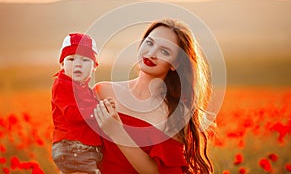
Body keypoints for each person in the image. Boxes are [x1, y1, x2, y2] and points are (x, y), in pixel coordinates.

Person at [93, 18, 214, 174]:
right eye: (149, 43)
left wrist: (117, 131)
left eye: (164, 51)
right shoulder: (102, 91)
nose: (151, 54)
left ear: (174, 64)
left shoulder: (175, 112)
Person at [51, 33, 103, 174]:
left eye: (85, 60)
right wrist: (99, 108)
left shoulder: (84, 89)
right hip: (73, 147)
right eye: (71, 59)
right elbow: (72, 114)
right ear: (62, 64)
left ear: (94, 66)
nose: (78, 64)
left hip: (82, 149)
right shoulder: (62, 85)